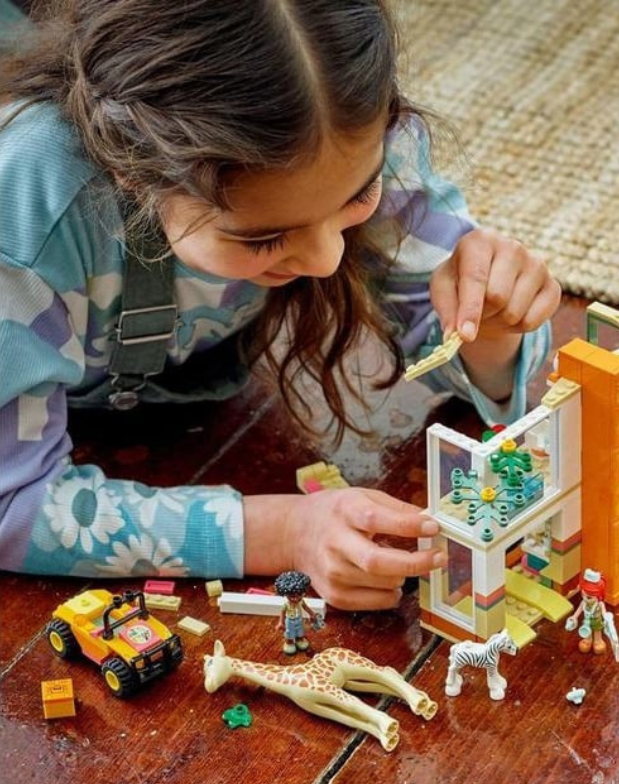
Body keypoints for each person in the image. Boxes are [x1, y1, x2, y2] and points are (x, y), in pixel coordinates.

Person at [0, 0, 560, 611]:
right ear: (133, 172)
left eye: (360, 194)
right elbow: (13, 505)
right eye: (262, 237)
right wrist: (285, 531)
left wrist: (491, 328)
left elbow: (456, 347)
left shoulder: (345, 123)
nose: (325, 259)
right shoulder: (24, 215)